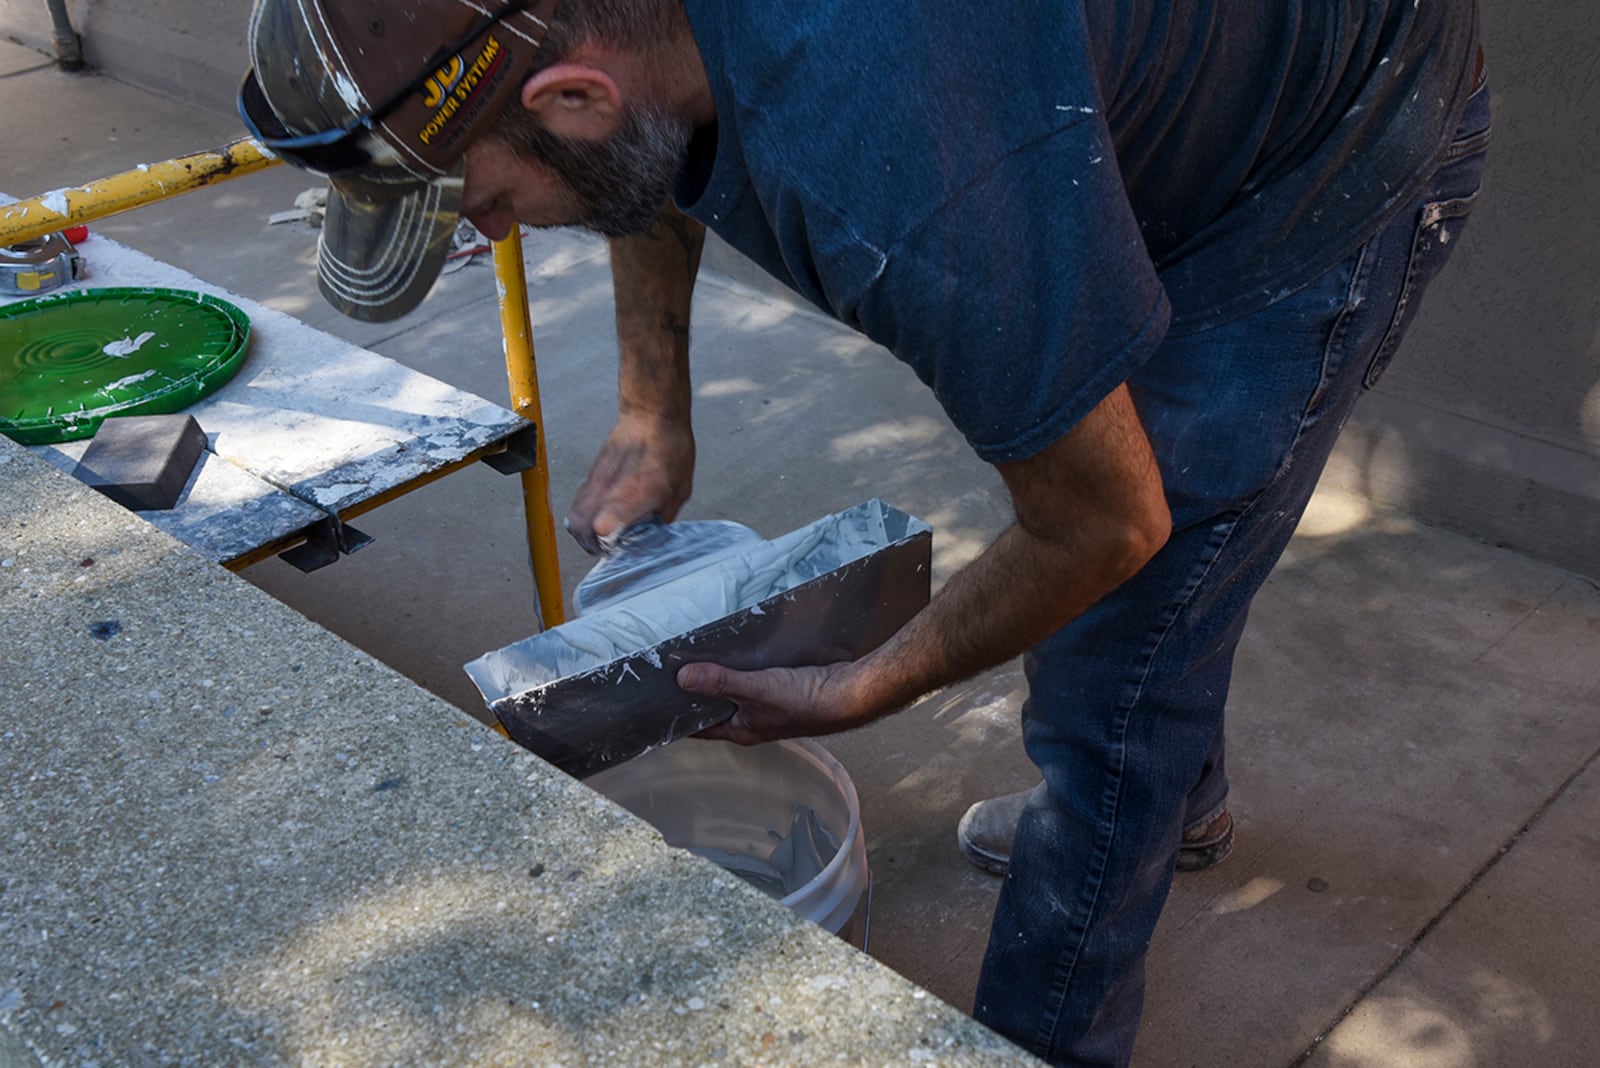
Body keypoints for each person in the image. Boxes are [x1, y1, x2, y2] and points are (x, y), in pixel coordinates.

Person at [239, 1, 1489, 1063]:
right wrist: (650, 405)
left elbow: (1105, 522)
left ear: (569, 96)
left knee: (1118, 661)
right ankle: (1179, 796)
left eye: (487, 201)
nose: (494, 231)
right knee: (1153, 608)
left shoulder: (901, 166)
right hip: (1103, 95)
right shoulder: (633, 44)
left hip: (1319, 168)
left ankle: (1046, 1026)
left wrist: (860, 685)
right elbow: (647, 144)